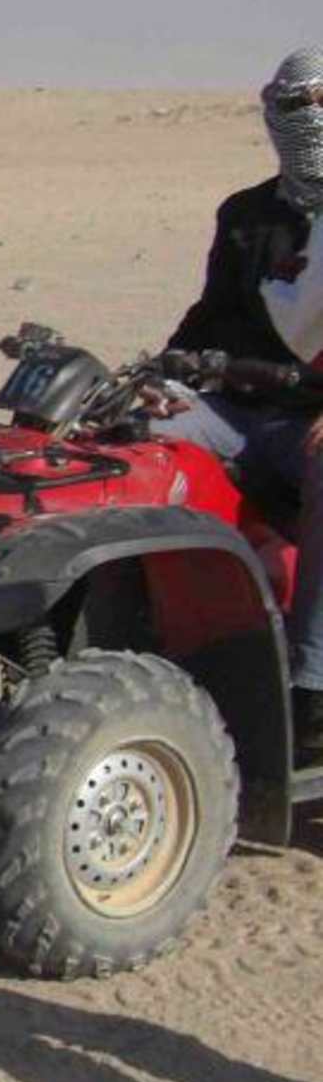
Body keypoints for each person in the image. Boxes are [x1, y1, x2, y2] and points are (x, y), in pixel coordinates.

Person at [151, 47, 323, 765]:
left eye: (321, 103)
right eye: (295, 105)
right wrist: (161, 375)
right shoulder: (247, 216)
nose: (309, 118)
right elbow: (210, 315)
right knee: (139, 442)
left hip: (310, 420)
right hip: (235, 410)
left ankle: (311, 687)